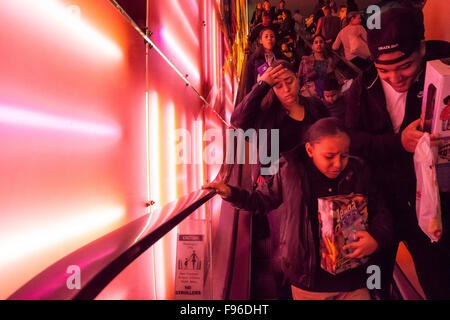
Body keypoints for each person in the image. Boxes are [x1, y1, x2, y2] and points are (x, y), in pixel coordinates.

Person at [203, 117, 393, 300]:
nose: (338, 164)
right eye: (329, 156)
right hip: (309, 281)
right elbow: (261, 200)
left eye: (344, 155)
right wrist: (231, 193)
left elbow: (381, 211)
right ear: (310, 150)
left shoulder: (358, 170)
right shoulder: (290, 171)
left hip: (353, 278)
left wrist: (376, 238)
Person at [345, 6, 450, 299]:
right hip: (380, 208)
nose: (394, 77)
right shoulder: (363, 88)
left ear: (421, 48)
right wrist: (397, 143)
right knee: (374, 285)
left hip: (431, 210)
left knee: (439, 284)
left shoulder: (442, 70)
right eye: (384, 69)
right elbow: (351, 141)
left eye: (404, 65)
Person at [245, 27, 283, 94]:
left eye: (272, 36)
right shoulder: (254, 59)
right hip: (260, 95)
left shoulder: (280, 57)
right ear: (261, 41)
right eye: (266, 36)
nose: (269, 38)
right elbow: (249, 82)